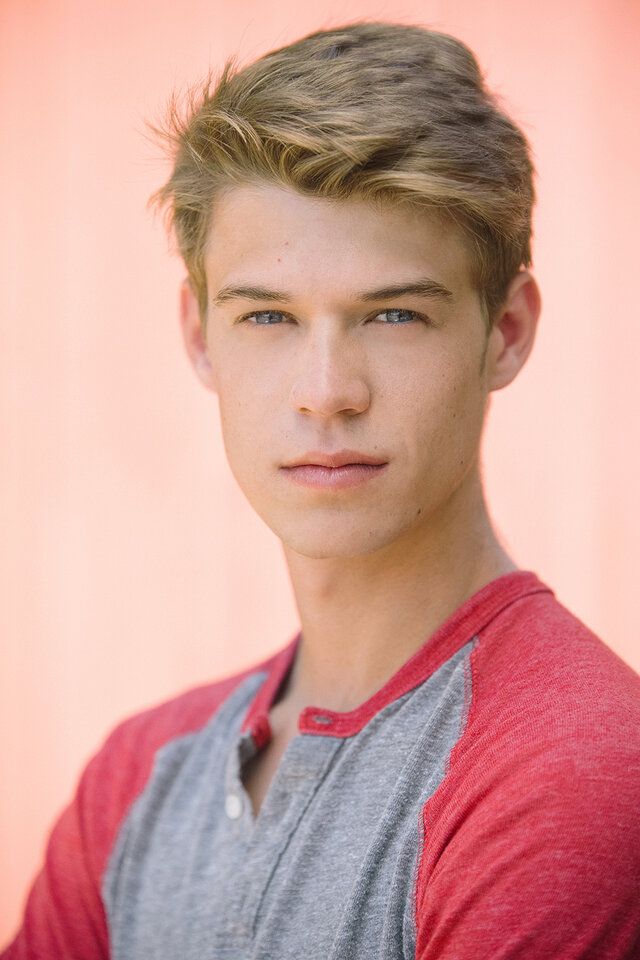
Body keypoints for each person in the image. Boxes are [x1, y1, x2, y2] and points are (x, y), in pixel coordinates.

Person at [4, 20, 640, 960]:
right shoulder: (135, 782)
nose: (327, 392)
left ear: (505, 332)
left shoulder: (572, 769)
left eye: (394, 315)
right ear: (201, 336)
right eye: (268, 316)